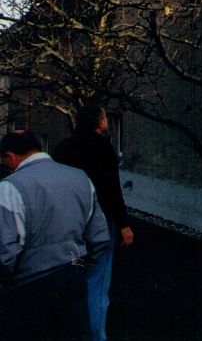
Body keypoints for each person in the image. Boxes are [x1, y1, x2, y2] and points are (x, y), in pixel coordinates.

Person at [0, 130, 110, 341]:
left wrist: (10, 283)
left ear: (11, 156)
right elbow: (99, 237)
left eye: (5, 162)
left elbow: (4, 252)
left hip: (28, 286)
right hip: (72, 278)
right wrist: (78, 268)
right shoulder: (80, 177)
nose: (6, 167)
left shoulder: (10, 187)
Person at [54, 105, 134, 341]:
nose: (107, 121)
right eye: (105, 118)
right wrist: (123, 224)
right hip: (97, 226)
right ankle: (95, 335)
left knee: (75, 274)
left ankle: (73, 331)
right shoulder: (104, 149)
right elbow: (112, 190)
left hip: (69, 224)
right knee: (97, 282)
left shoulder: (63, 148)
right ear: (99, 123)